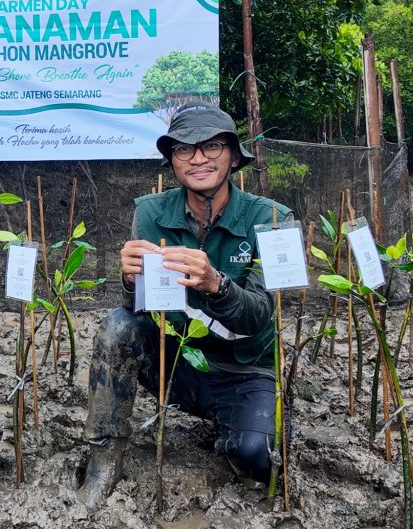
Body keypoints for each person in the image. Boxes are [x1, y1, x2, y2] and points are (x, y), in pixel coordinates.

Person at [76, 104, 291, 507]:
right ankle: (104, 459)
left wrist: (217, 285)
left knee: (258, 459)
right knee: (117, 326)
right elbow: (138, 311)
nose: (197, 158)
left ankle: (236, 428)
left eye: (212, 146)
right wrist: (130, 281)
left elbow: (263, 315)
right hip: (177, 363)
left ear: (233, 156)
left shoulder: (275, 219)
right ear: (172, 161)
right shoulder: (149, 212)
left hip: (244, 371)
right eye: (184, 149)